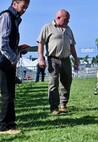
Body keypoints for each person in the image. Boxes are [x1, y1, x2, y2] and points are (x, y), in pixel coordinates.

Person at [37, 9, 79, 115]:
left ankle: (63, 104)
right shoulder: (47, 27)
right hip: (53, 59)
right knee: (53, 83)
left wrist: (76, 59)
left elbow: (72, 46)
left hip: (66, 59)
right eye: (67, 19)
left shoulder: (68, 29)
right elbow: (40, 43)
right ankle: (54, 107)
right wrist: (41, 58)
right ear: (58, 18)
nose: (68, 21)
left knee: (67, 81)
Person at [0, 0, 30, 134]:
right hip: (3, 62)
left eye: (26, 7)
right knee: (7, 94)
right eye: (23, 6)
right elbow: (3, 43)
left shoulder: (14, 19)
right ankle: (4, 126)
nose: (25, 10)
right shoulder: (7, 16)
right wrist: (13, 58)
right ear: (14, 3)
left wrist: (18, 49)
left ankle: (10, 124)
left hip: (8, 61)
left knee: (10, 94)